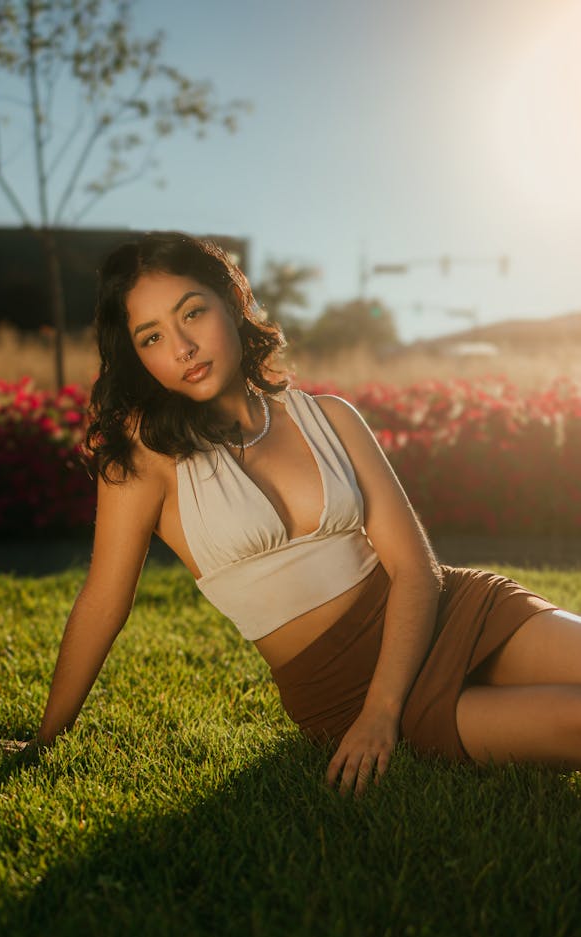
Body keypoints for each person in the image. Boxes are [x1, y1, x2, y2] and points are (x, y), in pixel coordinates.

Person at [33, 231, 581, 795]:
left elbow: (417, 570)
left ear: (232, 302)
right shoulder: (146, 454)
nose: (182, 347)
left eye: (192, 313)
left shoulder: (330, 418)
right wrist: (44, 739)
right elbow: (104, 599)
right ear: (137, 355)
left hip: (447, 614)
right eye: (152, 337)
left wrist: (383, 711)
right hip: (338, 687)